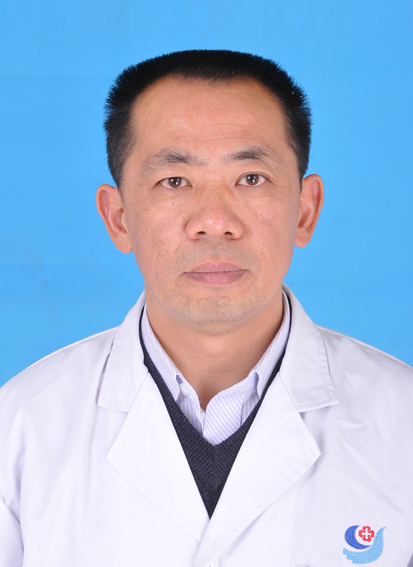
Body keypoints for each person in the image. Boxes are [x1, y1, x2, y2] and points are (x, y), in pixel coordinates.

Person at [0, 50, 412, 567]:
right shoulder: (20, 428)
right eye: (174, 181)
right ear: (119, 218)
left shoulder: (403, 422)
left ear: (305, 211)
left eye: (251, 178)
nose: (215, 221)